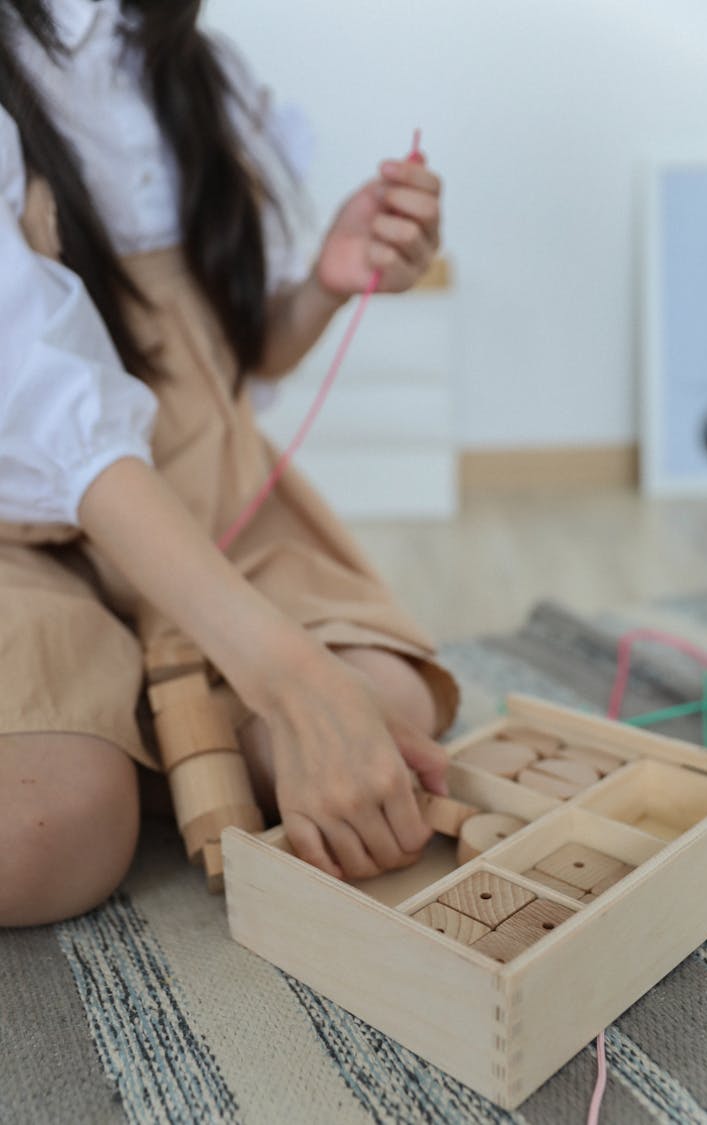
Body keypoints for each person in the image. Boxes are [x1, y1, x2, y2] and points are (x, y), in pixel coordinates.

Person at [0, 0, 460, 927]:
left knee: (392, 708)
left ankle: (160, 716)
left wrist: (330, 282)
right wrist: (292, 678)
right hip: (29, 536)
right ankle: (151, 725)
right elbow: (49, 415)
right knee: (45, 833)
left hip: (214, 502)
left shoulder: (201, 71)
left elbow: (237, 360)